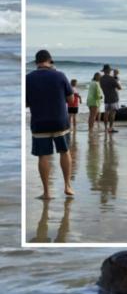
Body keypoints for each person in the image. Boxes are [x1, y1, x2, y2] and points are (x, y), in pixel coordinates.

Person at [25, 49, 75, 200]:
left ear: (36, 62)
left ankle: (47, 192)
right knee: (64, 152)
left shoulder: (28, 78)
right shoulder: (60, 75)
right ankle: (67, 186)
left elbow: (26, 103)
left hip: (39, 122)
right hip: (60, 121)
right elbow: (71, 100)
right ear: (50, 61)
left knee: (43, 157)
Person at [98, 63, 121, 133]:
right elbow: (119, 87)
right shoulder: (111, 78)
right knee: (112, 114)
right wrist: (116, 80)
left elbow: (101, 87)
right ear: (108, 70)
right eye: (110, 70)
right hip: (113, 98)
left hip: (106, 98)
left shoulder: (101, 79)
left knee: (106, 113)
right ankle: (110, 128)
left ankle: (105, 128)